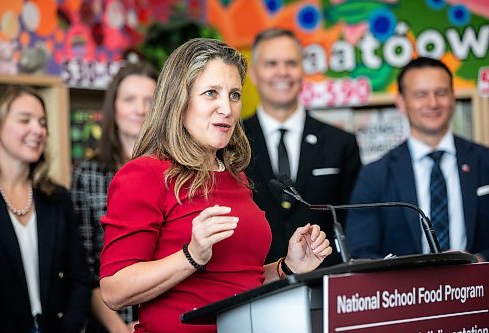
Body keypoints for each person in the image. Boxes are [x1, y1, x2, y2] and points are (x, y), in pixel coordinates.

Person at [99, 38, 333, 333]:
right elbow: (114, 290)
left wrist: (286, 267)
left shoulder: (235, 175)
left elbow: (237, 280)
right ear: (178, 100)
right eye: (211, 93)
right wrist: (190, 256)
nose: (227, 108)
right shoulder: (144, 174)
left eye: (234, 95)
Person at [346, 57, 489, 261]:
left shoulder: (485, 161)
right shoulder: (375, 175)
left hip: (477, 288)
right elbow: (360, 252)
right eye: (421, 94)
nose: (432, 103)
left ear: (453, 97)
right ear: (401, 103)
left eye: (440, 92)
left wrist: (479, 260)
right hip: (404, 291)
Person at [243, 28, 361, 266]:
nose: (282, 72)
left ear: (303, 69)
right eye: (271, 63)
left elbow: (355, 222)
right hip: (253, 287)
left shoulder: (340, 143)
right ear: (254, 73)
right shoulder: (232, 142)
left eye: (291, 63)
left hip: (327, 283)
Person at [0, 85, 90, 332]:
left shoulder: (57, 198)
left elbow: (79, 280)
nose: (38, 130)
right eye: (25, 120)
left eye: (42, 123)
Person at [71, 61, 158, 333]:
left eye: (149, 100)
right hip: (109, 320)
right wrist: (119, 329)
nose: (140, 109)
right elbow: (84, 267)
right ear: (114, 107)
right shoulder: (88, 174)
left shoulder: (175, 171)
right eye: (129, 99)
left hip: (167, 315)